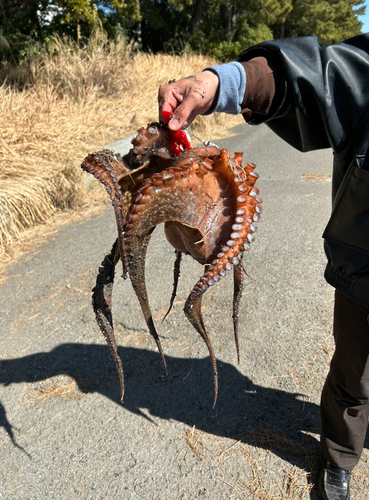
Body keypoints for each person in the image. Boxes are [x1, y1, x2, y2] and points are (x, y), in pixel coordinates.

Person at [158, 34, 369, 500]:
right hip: (365, 264)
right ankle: (339, 456)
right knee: (355, 373)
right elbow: (320, 75)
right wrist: (222, 82)